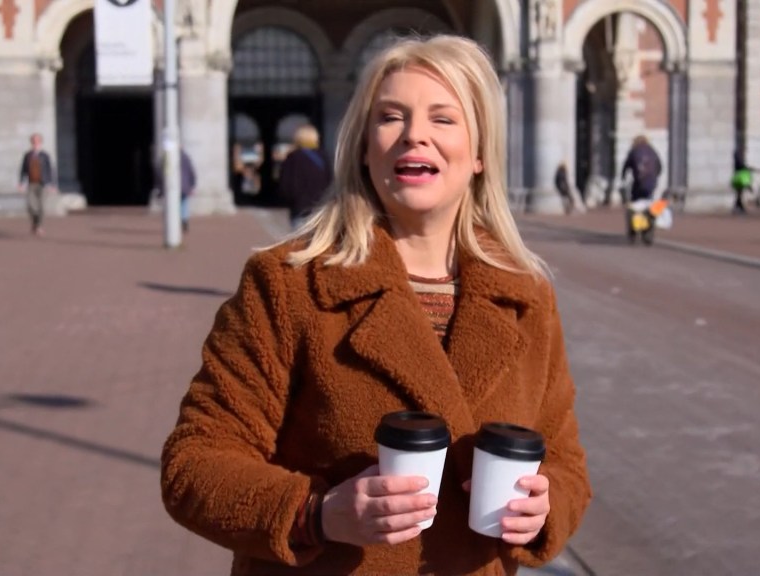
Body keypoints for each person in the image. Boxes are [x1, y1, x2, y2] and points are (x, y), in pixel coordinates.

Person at [161, 35, 591, 576]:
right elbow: (193, 463)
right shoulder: (288, 285)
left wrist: (545, 508)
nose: (414, 135)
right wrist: (318, 513)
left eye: (443, 118)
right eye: (391, 117)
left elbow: (566, 463)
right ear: (365, 148)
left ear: (480, 152)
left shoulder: (526, 296)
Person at [277, 124, 333, 229]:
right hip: (320, 210)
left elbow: (285, 185)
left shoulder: (293, 158)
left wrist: (291, 201)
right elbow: (331, 182)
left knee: (299, 238)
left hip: (299, 209)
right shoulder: (324, 157)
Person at [18, 133, 56, 236]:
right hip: (31, 183)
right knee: (31, 206)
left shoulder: (45, 155)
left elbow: (50, 170)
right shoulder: (28, 155)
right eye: (34, 141)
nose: (35, 143)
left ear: (40, 142)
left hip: (43, 184)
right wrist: (21, 183)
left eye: (37, 141)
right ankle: (35, 223)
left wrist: (52, 184)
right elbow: (23, 170)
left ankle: (39, 226)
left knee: (42, 207)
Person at [155, 148, 198, 232]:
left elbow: (159, 172)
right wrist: (192, 184)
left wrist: (159, 186)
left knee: (172, 204)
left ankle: (174, 221)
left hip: (170, 185)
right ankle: (184, 219)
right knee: (183, 203)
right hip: (184, 185)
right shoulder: (185, 157)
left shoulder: (166, 157)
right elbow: (191, 171)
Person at [620, 135, 662, 204]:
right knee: (648, 198)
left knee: (635, 198)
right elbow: (659, 166)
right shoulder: (652, 150)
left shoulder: (634, 151)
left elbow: (626, 165)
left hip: (639, 181)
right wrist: (655, 176)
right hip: (651, 180)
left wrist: (623, 176)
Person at [730, 151, 753, 215]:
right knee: (739, 193)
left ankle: (739, 207)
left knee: (739, 194)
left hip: (738, 177)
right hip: (740, 178)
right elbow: (741, 166)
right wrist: (748, 169)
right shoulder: (738, 159)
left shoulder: (737, 158)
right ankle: (739, 207)